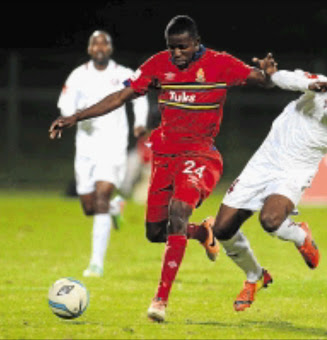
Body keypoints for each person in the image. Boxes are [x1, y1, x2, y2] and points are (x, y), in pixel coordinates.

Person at [49, 15, 276, 322]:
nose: (177, 54)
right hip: (164, 155)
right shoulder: (157, 64)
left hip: (200, 155)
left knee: (179, 211)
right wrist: (76, 116)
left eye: (182, 47)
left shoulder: (220, 63)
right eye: (172, 48)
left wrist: (267, 72)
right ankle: (201, 232)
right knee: (156, 233)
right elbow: (120, 96)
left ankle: (160, 301)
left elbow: (260, 79)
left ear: (196, 42)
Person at [212, 68, 327, 311]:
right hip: (264, 161)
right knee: (222, 229)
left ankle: (301, 237)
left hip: (296, 171)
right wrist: (305, 84)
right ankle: (256, 276)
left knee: (270, 221)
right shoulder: (326, 88)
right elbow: (282, 78)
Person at [57, 30, 149, 278]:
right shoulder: (78, 75)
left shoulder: (123, 74)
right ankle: (114, 208)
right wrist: (71, 116)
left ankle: (96, 264)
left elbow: (139, 97)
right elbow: (65, 103)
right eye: (95, 43)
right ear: (89, 49)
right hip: (86, 149)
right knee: (89, 207)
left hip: (113, 147)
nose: (99, 47)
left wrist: (139, 122)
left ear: (110, 48)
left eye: (104, 43)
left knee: (100, 197)